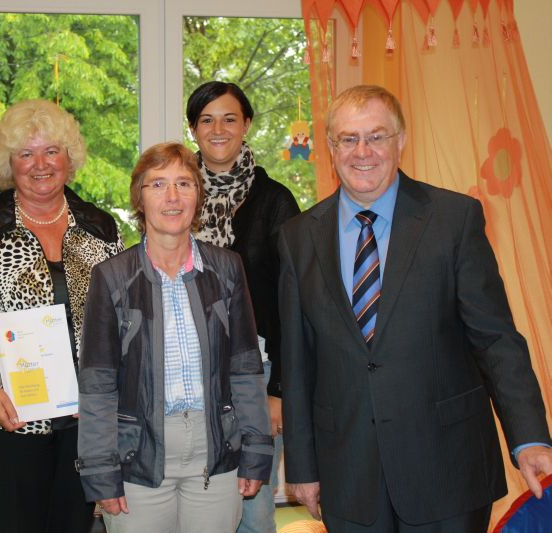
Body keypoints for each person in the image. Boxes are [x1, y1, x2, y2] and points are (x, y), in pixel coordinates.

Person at [278, 84, 552, 532]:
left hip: (447, 469)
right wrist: (303, 467)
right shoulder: (297, 238)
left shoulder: (454, 219)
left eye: (377, 136)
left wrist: (529, 438)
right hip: (348, 473)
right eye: (348, 138)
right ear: (331, 147)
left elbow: (495, 339)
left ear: (401, 141)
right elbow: (298, 362)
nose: (362, 151)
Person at [0, 98, 123, 532]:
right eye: (26, 153)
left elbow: (123, 320)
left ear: (69, 157)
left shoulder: (101, 228)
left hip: (84, 419)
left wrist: (105, 388)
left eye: (51, 151)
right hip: (6, 419)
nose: (40, 164)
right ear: (9, 163)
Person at [76, 142, 274, 533]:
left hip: (216, 452)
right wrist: (101, 468)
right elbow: (97, 385)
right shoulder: (111, 277)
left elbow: (246, 369)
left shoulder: (228, 269)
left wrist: (256, 450)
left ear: (198, 196)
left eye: (184, 183)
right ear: (139, 197)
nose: (172, 197)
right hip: (139, 456)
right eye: (158, 184)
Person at [186, 80, 301, 533]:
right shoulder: (176, 196)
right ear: (193, 128)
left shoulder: (275, 202)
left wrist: (279, 392)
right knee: (196, 502)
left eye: (229, 118)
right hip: (186, 372)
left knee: (253, 509)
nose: (218, 129)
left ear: (247, 124)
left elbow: (293, 303)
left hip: (257, 374)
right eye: (206, 119)